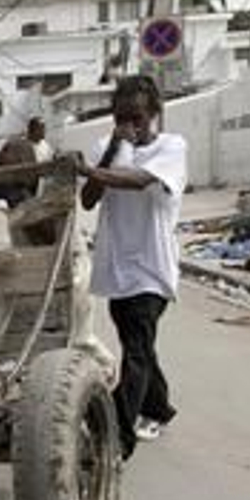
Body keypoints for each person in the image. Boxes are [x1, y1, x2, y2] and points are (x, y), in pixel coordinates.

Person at [80, 75, 187, 459]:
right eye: (122, 118)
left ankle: (117, 441)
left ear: (154, 114)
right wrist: (109, 151)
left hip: (151, 270)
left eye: (137, 118)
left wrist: (93, 169)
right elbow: (89, 200)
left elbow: (138, 181)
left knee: (136, 351)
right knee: (138, 344)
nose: (130, 126)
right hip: (116, 269)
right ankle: (159, 407)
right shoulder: (104, 148)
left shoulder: (171, 148)